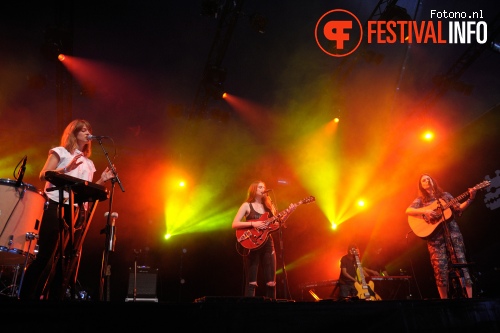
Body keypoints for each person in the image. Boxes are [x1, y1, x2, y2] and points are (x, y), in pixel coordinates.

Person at [19, 119, 115, 300]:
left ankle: (55, 297)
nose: (88, 133)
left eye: (89, 130)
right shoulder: (60, 152)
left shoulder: (88, 163)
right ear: (74, 133)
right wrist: (66, 168)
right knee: (47, 256)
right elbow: (44, 174)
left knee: (68, 259)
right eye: (84, 130)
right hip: (57, 205)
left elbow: (86, 188)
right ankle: (26, 296)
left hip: (78, 211)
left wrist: (102, 180)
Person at [405, 174, 476, 299]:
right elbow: (408, 210)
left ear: (433, 181)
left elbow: (459, 208)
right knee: (440, 267)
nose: (427, 181)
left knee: (461, 263)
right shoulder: (421, 200)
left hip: (452, 233)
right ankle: (444, 301)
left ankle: (470, 299)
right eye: (423, 180)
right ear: (421, 185)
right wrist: (425, 211)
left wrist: (471, 198)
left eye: (428, 178)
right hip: (434, 238)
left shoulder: (445, 196)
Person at [231, 180, 296, 299]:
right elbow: (235, 224)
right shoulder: (247, 205)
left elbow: (278, 223)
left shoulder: (269, 206)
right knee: (252, 282)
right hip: (251, 243)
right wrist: (253, 224)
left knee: (271, 282)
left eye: (264, 187)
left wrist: (289, 212)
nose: (263, 189)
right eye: (260, 187)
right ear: (254, 190)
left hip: (267, 244)